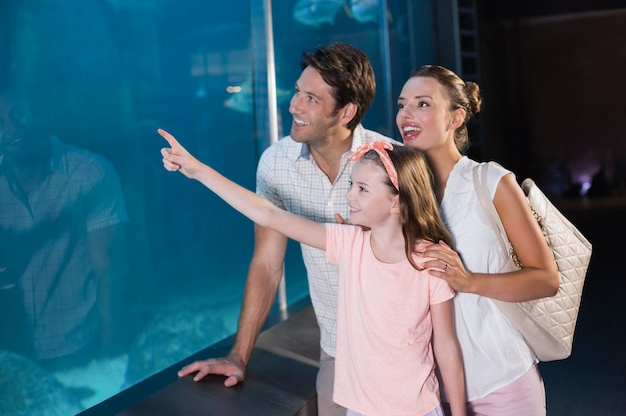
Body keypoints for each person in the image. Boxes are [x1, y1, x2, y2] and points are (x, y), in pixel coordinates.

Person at [160, 128, 467, 416]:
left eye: (362, 189)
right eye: (351, 185)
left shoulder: (430, 261)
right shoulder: (348, 244)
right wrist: (199, 171)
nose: (349, 196)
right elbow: (268, 214)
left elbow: (446, 345)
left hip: (420, 409)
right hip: (359, 409)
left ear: (397, 203)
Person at [176, 42, 395, 415]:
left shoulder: (393, 162)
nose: (294, 105)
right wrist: (239, 356)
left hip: (400, 347)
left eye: (311, 98)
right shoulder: (276, 164)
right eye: (297, 91)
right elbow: (266, 263)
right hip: (337, 351)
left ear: (346, 112)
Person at [395, 65, 560, 416]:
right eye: (402, 104)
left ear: (456, 117)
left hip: (503, 380)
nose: (405, 114)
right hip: (427, 389)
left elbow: (546, 278)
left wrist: (468, 281)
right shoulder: (399, 193)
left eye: (422, 103)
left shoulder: (490, 180)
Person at [0, 91, 128, 371]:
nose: (11, 129)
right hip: (10, 354)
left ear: (35, 111)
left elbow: (108, 267)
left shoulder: (90, 172)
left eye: (16, 114)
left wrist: (111, 346)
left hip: (76, 346)